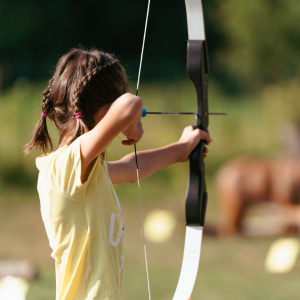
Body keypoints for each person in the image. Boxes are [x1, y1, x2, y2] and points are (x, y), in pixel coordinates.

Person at [24, 48, 212, 300]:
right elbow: (130, 104)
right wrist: (130, 123)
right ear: (106, 111)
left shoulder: (83, 174)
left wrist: (181, 150)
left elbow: (132, 167)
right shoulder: (64, 168)